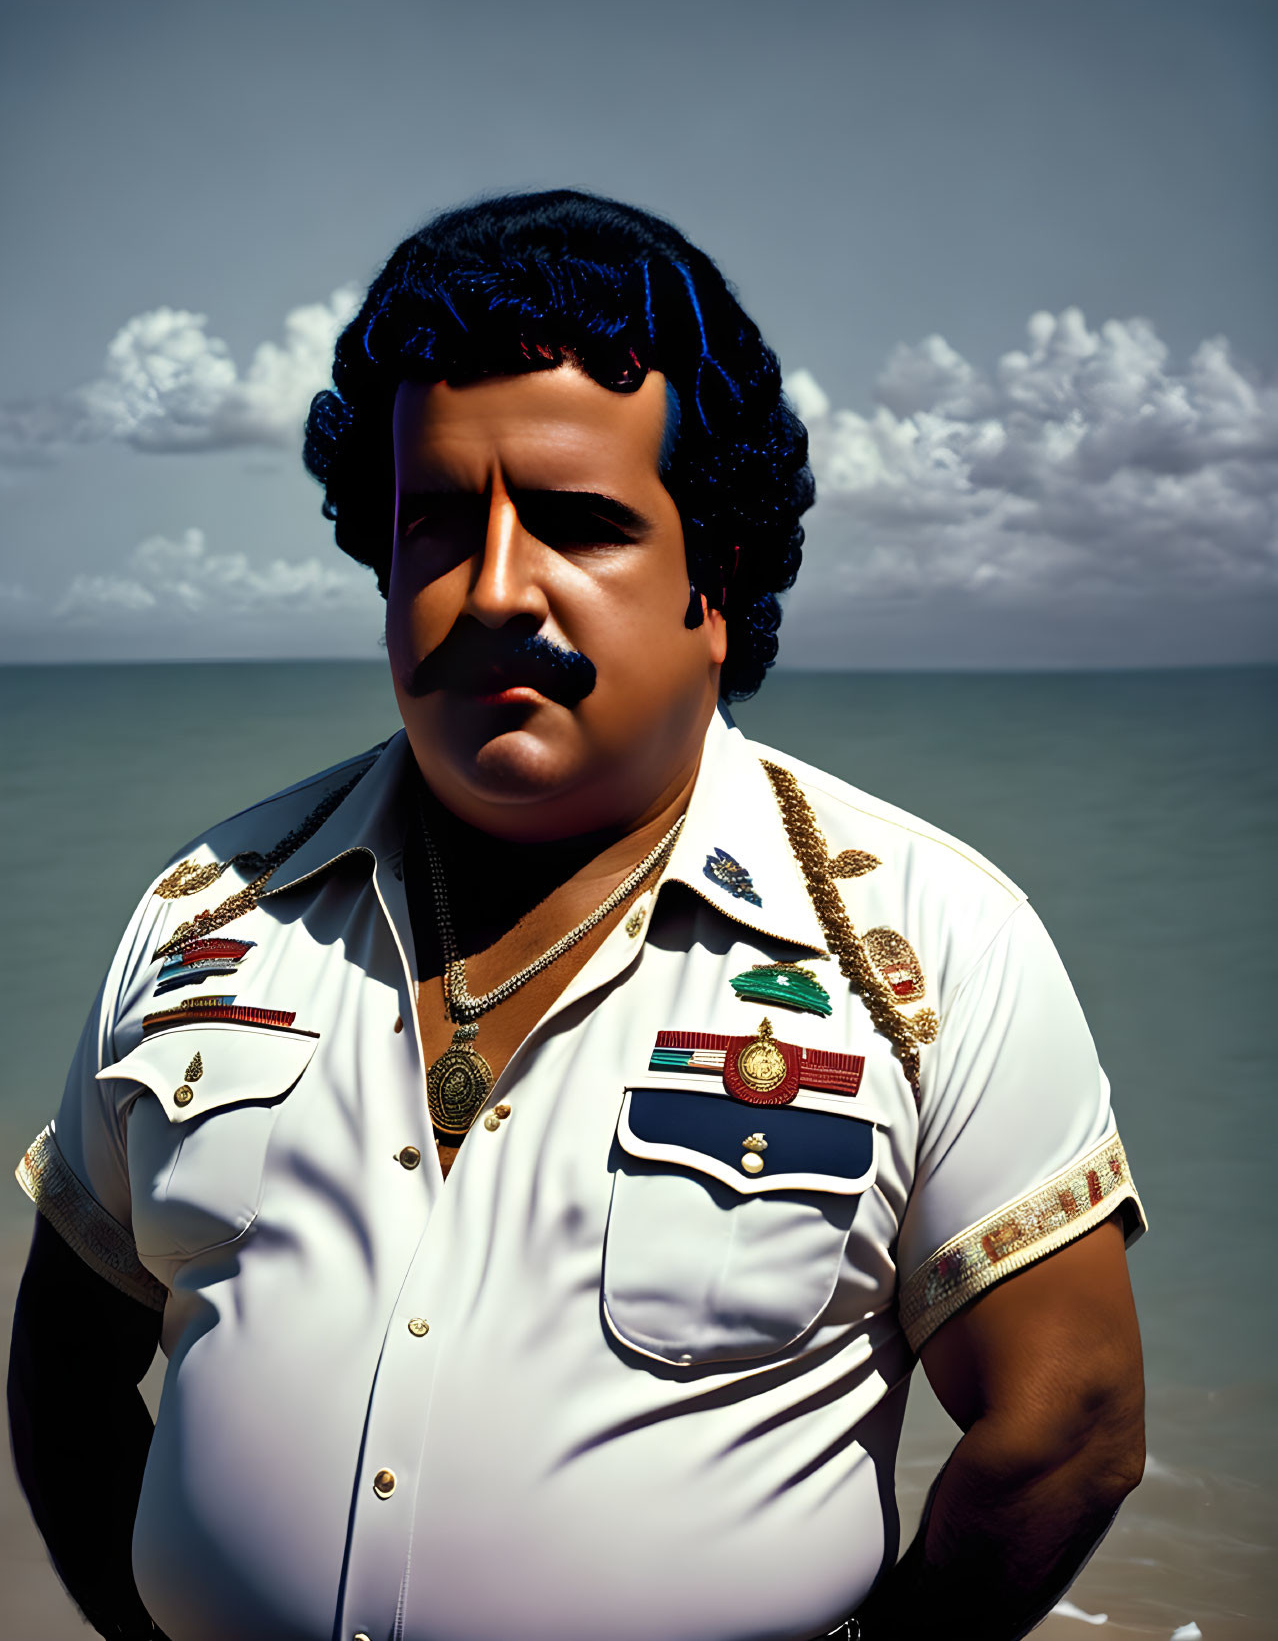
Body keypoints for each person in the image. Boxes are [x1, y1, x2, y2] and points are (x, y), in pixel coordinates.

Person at [8, 189, 1146, 1641]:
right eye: (434, 525)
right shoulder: (203, 911)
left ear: (717, 576)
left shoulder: (927, 944)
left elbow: (1067, 1423)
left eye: (577, 523)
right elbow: (66, 1356)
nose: (490, 589)